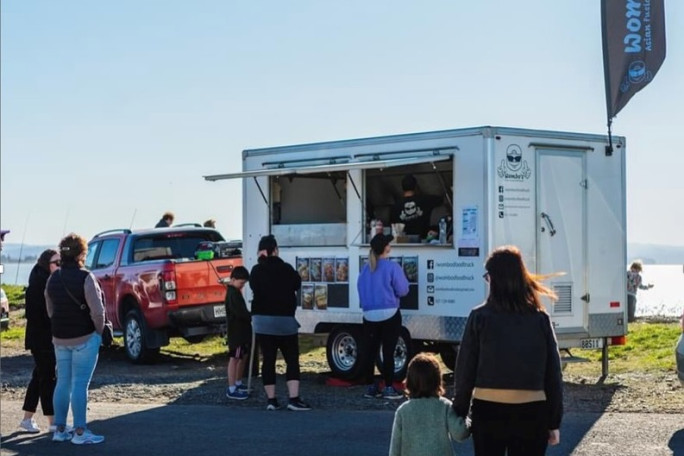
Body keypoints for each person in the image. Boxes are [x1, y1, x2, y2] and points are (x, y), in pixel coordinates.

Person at [452, 245, 563, 456]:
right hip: (533, 412)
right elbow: (553, 374)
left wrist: (459, 411)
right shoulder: (540, 319)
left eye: (488, 277)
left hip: (488, 411)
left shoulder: (479, 317)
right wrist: (554, 421)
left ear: (494, 279)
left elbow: (465, 370)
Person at [45, 233, 106, 444]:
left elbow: (50, 309)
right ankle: (80, 432)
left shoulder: (53, 277)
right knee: (80, 384)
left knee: (62, 383)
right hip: (84, 337)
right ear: (82, 253)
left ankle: (60, 429)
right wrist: (98, 332)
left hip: (60, 338)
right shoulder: (86, 277)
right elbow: (98, 312)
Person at [249, 235, 311, 411]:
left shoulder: (256, 270)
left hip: (262, 322)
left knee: (268, 360)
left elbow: (254, 286)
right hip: (285, 322)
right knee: (292, 359)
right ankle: (293, 398)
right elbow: (297, 283)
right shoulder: (287, 268)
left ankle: (271, 401)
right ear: (275, 250)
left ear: (261, 252)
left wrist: (262, 261)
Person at [357, 233, 409, 400]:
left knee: (370, 352)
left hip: (369, 314)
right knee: (388, 352)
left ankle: (371, 387)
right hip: (390, 314)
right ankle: (388, 387)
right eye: (388, 243)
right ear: (385, 248)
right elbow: (403, 290)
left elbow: (360, 291)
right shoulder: (392, 267)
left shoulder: (365, 269)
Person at [389, 353, 470, 456]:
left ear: (410, 381)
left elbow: (394, 450)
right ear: (437, 380)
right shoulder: (444, 406)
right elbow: (460, 434)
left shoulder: (403, 411)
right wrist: (468, 418)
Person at [19, 249, 61, 434]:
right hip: (42, 339)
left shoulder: (46, 280)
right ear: (46, 264)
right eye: (56, 263)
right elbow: (36, 315)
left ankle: (27, 419)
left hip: (45, 338)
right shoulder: (39, 284)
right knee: (47, 378)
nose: (59, 266)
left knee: (39, 376)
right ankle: (53, 422)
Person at [224, 266, 252, 400]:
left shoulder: (234, 292)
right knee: (234, 358)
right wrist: (249, 315)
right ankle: (231, 387)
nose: (242, 286)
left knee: (241, 357)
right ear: (233, 279)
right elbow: (239, 312)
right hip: (236, 333)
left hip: (241, 332)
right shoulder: (232, 294)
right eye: (241, 283)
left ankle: (238, 382)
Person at [391, 174, 444, 239]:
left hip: (403, 243)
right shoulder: (425, 200)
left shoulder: (395, 206)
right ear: (416, 187)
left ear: (402, 187)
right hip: (423, 242)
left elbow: (392, 226)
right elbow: (441, 199)